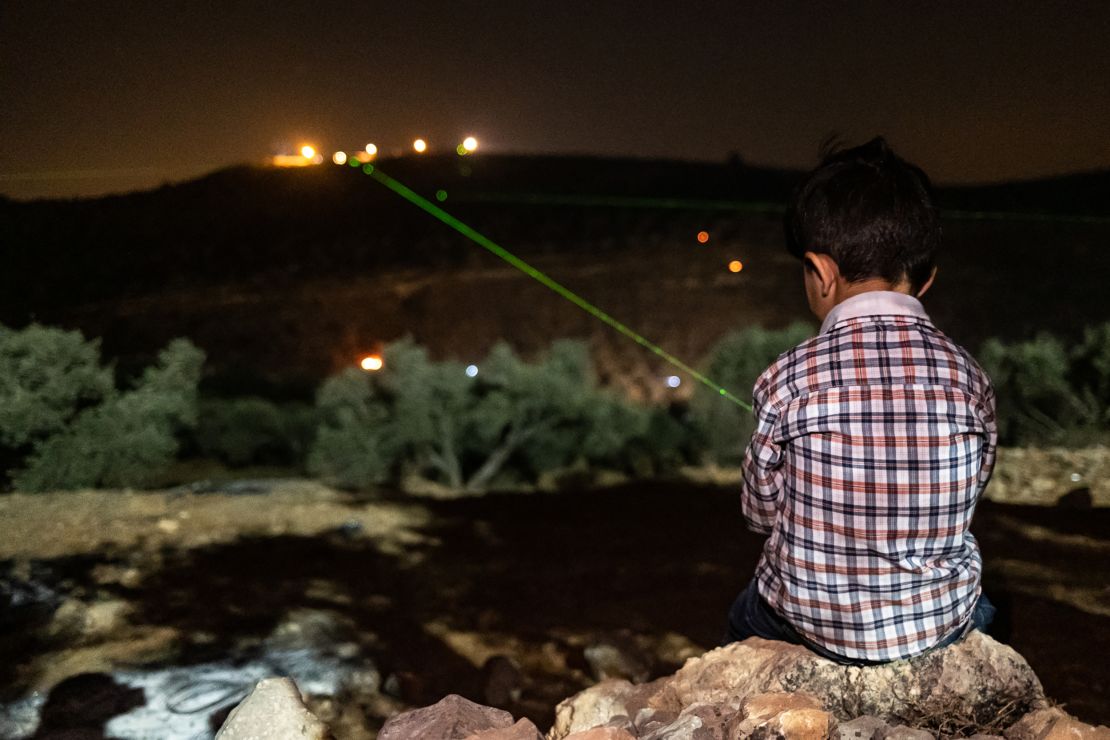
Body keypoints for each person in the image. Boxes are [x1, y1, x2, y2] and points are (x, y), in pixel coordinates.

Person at [723, 137, 997, 665]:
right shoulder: (968, 376)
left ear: (820, 271)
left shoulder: (786, 377)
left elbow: (759, 513)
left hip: (807, 617)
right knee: (983, 607)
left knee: (742, 617)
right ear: (927, 279)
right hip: (935, 622)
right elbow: (972, 489)